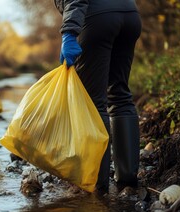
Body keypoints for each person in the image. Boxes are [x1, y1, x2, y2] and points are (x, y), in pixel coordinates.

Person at [54, 0, 141, 192]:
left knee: (92, 103)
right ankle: (127, 178)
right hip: (130, 15)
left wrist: (69, 33)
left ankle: (96, 182)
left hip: (97, 18)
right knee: (119, 94)